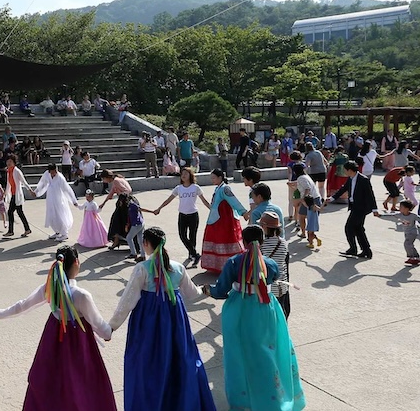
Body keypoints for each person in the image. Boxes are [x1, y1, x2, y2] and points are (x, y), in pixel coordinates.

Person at [0, 245, 116, 410]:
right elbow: (99, 325)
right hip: (78, 343)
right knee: (81, 385)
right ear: (77, 263)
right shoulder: (82, 295)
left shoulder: (50, 288)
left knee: (51, 382)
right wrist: (108, 333)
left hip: (53, 338)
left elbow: (22, 306)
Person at [109, 227, 215, 411]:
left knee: (148, 363)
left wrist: (111, 327)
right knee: (179, 359)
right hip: (175, 321)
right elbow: (191, 293)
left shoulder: (142, 269)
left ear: (147, 244)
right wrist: (203, 290)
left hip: (149, 322)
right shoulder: (178, 268)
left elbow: (127, 301)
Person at [205, 225, 305, 411]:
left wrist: (209, 290)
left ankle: (243, 401)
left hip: (240, 309)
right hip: (265, 308)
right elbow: (273, 278)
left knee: (239, 354)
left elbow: (220, 290)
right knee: (268, 351)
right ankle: (274, 397)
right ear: (263, 240)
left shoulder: (234, 262)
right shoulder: (270, 264)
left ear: (243, 240)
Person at [152, 168, 211, 266]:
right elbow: (168, 200)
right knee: (182, 235)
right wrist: (159, 208)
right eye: (182, 174)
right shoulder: (178, 188)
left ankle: (192, 255)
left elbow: (204, 201)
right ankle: (195, 254)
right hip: (182, 215)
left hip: (193, 215)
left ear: (190, 175)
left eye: (186, 174)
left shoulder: (195, 187)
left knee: (192, 236)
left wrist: (212, 210)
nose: (183, 175)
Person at [326, 161, 378, 259]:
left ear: (350, 170)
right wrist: (332, 198)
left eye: (345, 170)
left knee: (349, 228)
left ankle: (353, 249)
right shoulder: (350, 178)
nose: (344, 172)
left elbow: (370, 195)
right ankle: (366, 251)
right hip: (354, 206)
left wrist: (374, 209)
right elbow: (343, 189)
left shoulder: (363, 180)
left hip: (361, 208)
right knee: (358, 229)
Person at [201, 168, 246, 273]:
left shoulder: (225, 189)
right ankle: (219, 265)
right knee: (217, 240)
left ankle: (227, 265)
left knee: (224, 239)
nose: (212, 180)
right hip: (216, 219)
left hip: (223, 220)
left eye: (214, 178)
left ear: (220, 178)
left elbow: (234, 201)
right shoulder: (218, 188)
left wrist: (243, 211)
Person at [33, 164, 79, 242]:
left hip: (59, 200)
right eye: (52, 172)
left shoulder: (60, 178)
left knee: (60, 216)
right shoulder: (46, 175)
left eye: (55, 171)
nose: (54, 173)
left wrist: (73, 200)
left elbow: (67, 189)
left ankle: (64, 234)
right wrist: (36, 192)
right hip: (50, 198)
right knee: (52, 216)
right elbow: (42, 184)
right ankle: (57, 232)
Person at [375, 200, 420, 266]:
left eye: (401, 207)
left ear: (407, 209)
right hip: (407, 232)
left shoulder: (413, 216)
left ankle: (413, 257)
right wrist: (380, 216)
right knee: (409, 245)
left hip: (412, 232)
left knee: (407, 244)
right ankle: (416, 257)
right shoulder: (400, 215)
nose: (399, 208)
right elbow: (390, 216)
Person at [99, 169, 133, 247]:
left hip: (124, 203)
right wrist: (103, 203)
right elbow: (111, 194)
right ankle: (117, 240)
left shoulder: (116, 181)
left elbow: (128, 190)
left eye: (103, 179)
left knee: (119, 221)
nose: (103, 181)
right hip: (122, 202)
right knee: (117, 221)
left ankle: (119, 241)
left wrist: (122, 196)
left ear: (107, 177)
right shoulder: (117, 180)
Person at [3, 154, 33, 238]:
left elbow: (24, 182)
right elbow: (9, 184)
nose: (8, 163)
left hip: (17, 195)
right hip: (13, 194)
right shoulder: (9, 171)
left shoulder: (16, 171)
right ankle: (25, 229)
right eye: (7, 161)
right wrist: (5, 193)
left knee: (14, 212)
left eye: (10, 162)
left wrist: (30, 190)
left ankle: (12, 231)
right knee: (16, 212)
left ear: (14, 162)